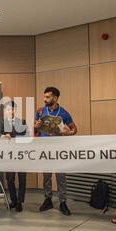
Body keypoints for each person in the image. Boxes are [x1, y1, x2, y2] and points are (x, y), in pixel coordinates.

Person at [35, 87, 77, 216]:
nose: (44, 99)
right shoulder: (41, 111)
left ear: (55, 98)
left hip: (59, 148)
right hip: (45, 148)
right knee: (46, 175)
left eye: (47, 97)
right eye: (44, 96)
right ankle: (48, 199)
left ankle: (63, 202)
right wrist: (35, 126)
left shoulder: (64, 113)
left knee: (61, 176)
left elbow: (75, 129)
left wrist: (68, 133)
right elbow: (36, 127)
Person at [0, 101, 29, 212]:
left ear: (15, 110)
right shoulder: (2, 122)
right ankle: (13, 200)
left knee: (22, 179)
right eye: (7, 109)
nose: (10, 111)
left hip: (21, 154)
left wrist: (15, 137)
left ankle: (20, 202)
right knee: (10, 179)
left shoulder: (22, 121)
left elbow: (27, 135)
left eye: (12, 109)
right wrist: (3, 135)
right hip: (8, 155)